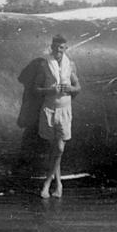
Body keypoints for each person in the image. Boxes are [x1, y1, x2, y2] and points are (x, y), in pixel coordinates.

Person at [34, 34, 81, 198]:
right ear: (51, 47)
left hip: (64, 110)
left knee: (59, 148)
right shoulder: (45, 65)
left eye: (61, 47)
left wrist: (69, 89)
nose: (57, 50)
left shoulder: (71, 65)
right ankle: (59, 185)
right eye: (55, 47)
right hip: (49, 110)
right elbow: (36, 89)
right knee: (54, 149)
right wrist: (51, 90)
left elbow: (78, 87)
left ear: (65, 49)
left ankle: (47, 183)